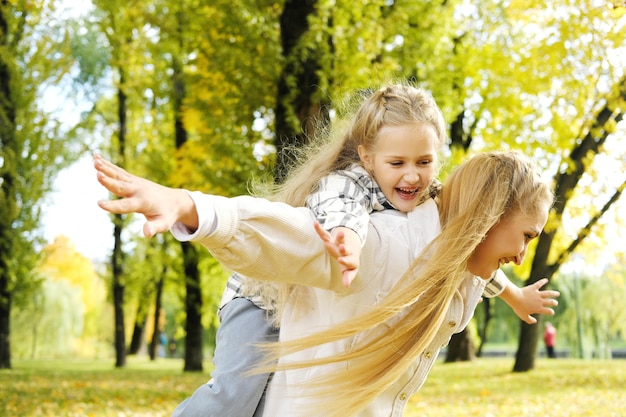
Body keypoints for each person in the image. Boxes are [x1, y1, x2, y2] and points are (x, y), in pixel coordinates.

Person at [168, 84, 555, 416]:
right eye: (397, 162)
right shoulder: (350, 183)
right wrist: (350, 241)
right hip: (258, 296)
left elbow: (468, 250)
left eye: (424, 162)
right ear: (368, 157)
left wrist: (515, 295)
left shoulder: (429, 202)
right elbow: (339, 214)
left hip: (306, 290)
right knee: (234, 397)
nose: (412, 174)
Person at [94, 149, 558, 417]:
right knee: (230, 396)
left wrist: (516, 298)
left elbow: (489, 274)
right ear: (489, 214)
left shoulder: (458, 270)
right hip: (274, 346)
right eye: (525, 236)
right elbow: (290, 234)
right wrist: (192, 207)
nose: (522, 255)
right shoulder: (381, 241)